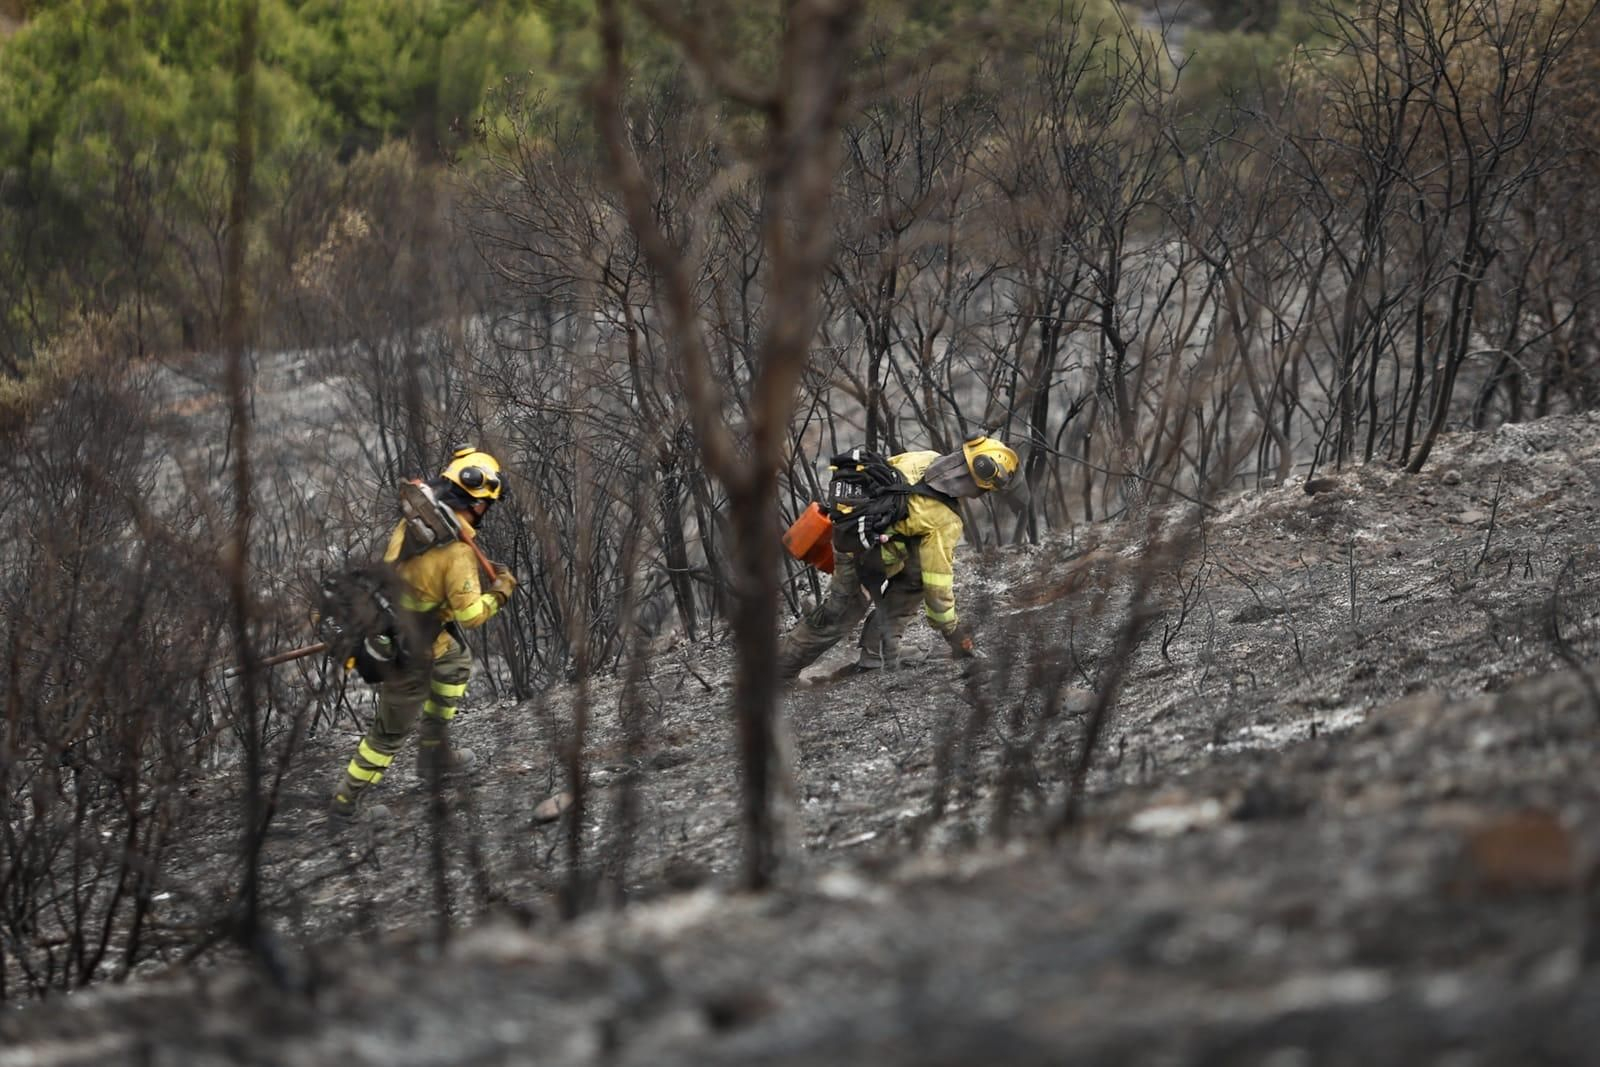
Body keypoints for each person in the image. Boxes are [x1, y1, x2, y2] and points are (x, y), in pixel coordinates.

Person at [328, 447, 519, 819]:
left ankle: (435, 753)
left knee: (455, 663)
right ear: (479, 504)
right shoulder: (456, 554)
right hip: (409, 650)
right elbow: (471, 616)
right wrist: (501, 592)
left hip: (413, 627)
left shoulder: (413, 523)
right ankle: (345, 803)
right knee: (388, 732)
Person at [777, 435, 1019, 682]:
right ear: (982, 486)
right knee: (838, 615)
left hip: (853, 530)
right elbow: (937, 585)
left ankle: (878, 651)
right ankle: (778, 671)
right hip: (861, 552)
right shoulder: (945, 520)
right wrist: (952, 632)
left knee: (916, 573)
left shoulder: (926, 458)